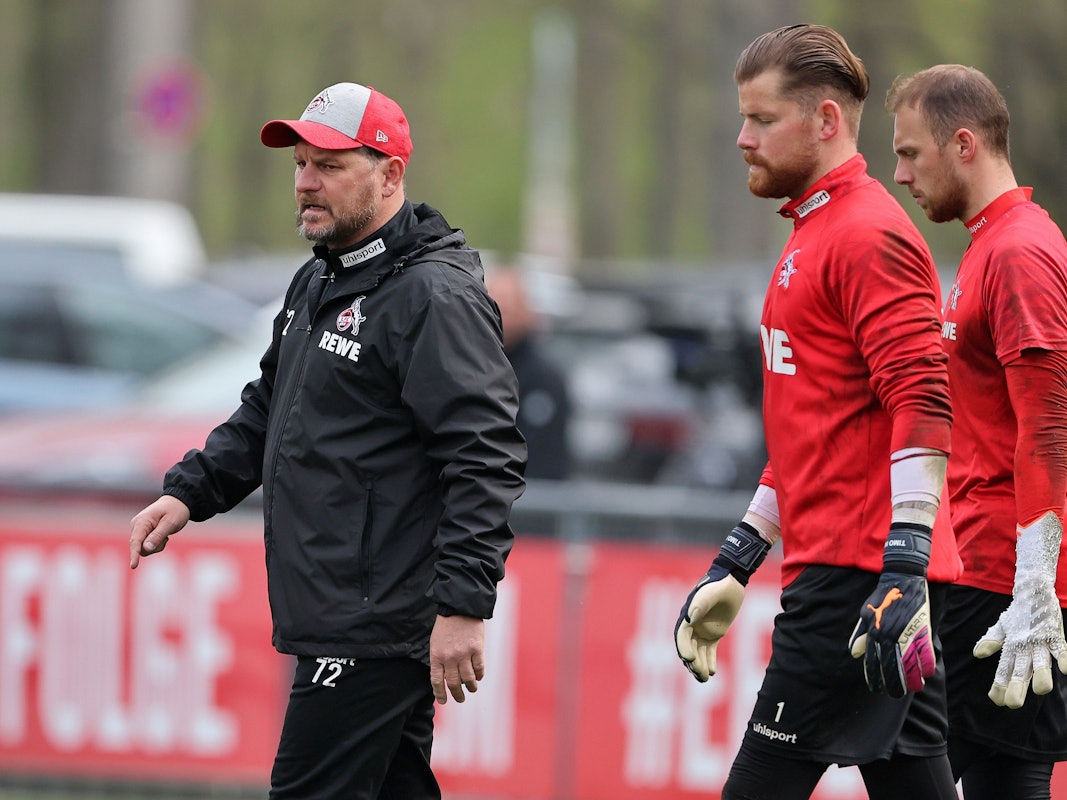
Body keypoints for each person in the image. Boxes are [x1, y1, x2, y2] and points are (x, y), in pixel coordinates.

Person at [129, 81, 527, 799]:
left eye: (330, 166)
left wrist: (464, 603)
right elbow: (267, 406)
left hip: (373, 620)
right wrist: (190, 491)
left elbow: (484, 454)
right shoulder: (318, 277)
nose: (306, 182)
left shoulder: (430, 296)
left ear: (390, 174)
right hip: (341, 612)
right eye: (300, 165)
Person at [672, 24, 963, 800]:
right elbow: (815, 426)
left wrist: (902, 564)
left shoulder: (865, 234)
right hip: (855, 569)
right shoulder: (817, 227)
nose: (743, 138)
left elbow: (923, 398)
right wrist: (739, 553)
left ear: (825, 120)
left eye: (762, 119)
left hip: (857, 579)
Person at [887, 64, 1067, 800]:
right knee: (1004, 774)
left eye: (909, 153)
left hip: (997, 578)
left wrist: (1035, 582)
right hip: (986, 569)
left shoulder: (1019, 250)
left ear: (963, 144)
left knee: (898, 750)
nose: (900, 174)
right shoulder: (991, 243)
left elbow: (1048, 425)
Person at [486, 266, 571, 480]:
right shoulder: (466, 370)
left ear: (527, 313)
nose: (499, 317)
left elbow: (541, 454)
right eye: (492, 307)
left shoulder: (544, 379)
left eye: (507, 308)